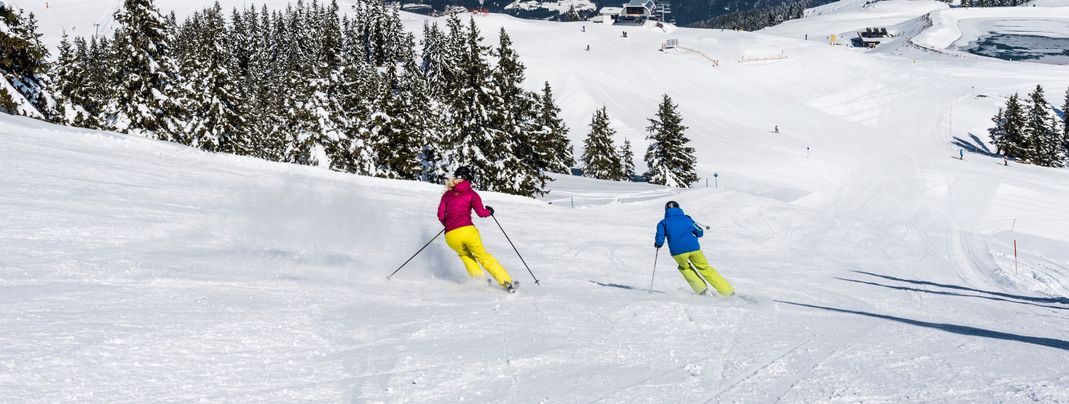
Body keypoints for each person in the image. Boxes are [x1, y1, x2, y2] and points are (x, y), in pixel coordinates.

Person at [438, 166, 516, 292]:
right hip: (467, 231)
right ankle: (506, 282)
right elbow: (481, 212)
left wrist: (449, 225)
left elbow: (440, 215)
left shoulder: (447, 195)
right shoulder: (472, 194)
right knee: (483, 257)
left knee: (465, 256)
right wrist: (489, 211)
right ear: (469, 179)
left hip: (451, 236)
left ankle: (480, 282)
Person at [654, 201, 734, 297]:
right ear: (679, 208)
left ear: (666, 210)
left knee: (685, 268)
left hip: (678, 252)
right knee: (705, 268)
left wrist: (658, 244)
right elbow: (700, 232)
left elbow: (660, 238)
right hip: (694, 249)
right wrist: (691, 221)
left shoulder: (663, 223)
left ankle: (702, 290)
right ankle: (727, 291)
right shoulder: (687, 219)